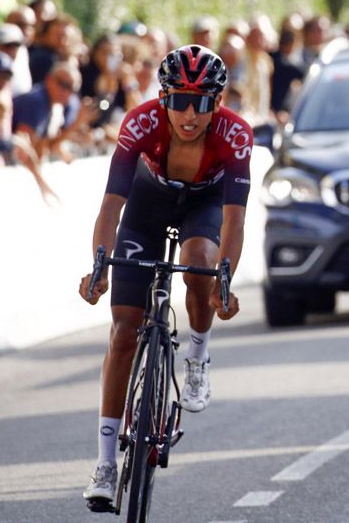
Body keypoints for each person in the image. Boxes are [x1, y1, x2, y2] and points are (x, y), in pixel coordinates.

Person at [78, 44, 250, 506]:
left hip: (204, 207)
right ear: (162, 98)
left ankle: (196, 356)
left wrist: (225, 281)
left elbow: (233, 220)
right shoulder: (140, 123)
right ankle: (106, 464)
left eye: (201, 102)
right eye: (179, 100)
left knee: (199, 268)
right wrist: (99, 265)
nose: (189, 114)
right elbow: (111, 206)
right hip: (146, 207)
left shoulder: (236, 135)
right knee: (122, 334)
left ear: (218, 102)